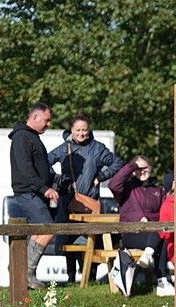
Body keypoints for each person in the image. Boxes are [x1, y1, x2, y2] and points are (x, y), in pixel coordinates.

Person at [48, 112, 125, 282]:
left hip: (90, 202)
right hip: (67, 200)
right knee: (68, 237)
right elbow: (46, 162)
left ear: (89, 131)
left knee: (90, 238)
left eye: (85, 130)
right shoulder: (64, 148)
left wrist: (101, 177)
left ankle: (89, 276)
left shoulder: (97, 148)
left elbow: (117, 163)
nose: (81, 134)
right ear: (72, 130)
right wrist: (56, 179)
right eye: (78, 130)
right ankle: (70, 277)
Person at [9, 103, 61, 288]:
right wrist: (44, 188)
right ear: (35, 117)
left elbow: (40, 168)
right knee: (49, 229)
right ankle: (26, 273)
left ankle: (22, 270)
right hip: (27, 192)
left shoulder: (30, 136)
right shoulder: (22, 137)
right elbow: (25, 170)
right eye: (46, 120)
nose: (48, 124)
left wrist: (55, 179)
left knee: (42, 230)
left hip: (34, 192)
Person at [107, 156, 168, 290]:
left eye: (145, 168)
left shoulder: (159, 191)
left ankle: (159, 278)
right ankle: (162, 282)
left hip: (153, 232)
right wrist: (132, 166)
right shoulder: (126, 188)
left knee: (162, 236)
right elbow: (112, 184)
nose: (142, 171)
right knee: (161, 236)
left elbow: (165, 213)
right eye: (138, 168)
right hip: (131, 234)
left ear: (150, 169)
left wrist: (149, 219)